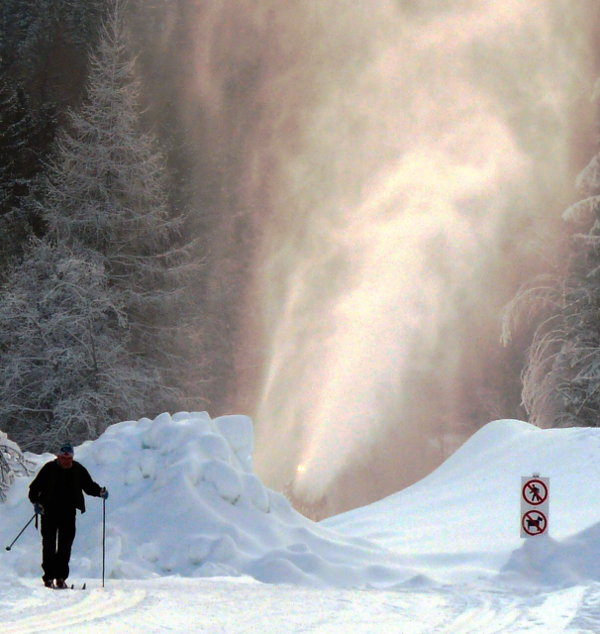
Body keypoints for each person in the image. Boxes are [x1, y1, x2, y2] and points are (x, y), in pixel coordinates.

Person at [28, 442, 108, 589]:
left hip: (68, 513)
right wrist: (36, 503)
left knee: (65, 546)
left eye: (69, 458)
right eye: (64, 458)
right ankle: (49, 577)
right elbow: (34, 488)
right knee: (49, 545)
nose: (66, 461)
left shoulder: (78, 469)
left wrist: (99, 492)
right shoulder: (49, 469)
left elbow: (89, 486)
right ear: (58, 456)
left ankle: (60, 577)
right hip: (49, 512)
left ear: (72, 457)